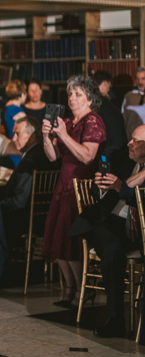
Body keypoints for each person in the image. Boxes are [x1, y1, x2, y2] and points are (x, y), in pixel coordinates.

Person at [70, 125, 145, 339]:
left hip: (137, 228)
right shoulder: (123, 157)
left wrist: (121, 186)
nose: (129, 143)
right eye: (131, 139)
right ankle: (116, 320)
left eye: (136, 141)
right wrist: (102, 187)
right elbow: (99, 186)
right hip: (107, 220)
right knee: (112, 250)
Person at [42, 76, 106, 309]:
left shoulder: (93, 120)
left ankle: (83, 289)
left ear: (90, 98)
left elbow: (88, 156)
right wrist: (46, 136)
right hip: (64, 185)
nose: (72, 98)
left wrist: (64, 136)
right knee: (57, 240)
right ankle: (69, 288)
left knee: (73, 242)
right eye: (70, 94)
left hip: (82, 188)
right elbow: (53, 157)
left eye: (78, 94)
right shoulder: (66, 122)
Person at [0, 116, 58, 248]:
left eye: (17, 134)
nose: (13, 139)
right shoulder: (43, 155)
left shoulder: (30, 162)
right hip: (45, 217)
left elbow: (18, 201)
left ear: (32, 136)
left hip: (25, 220)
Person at [93, 70, 130, 175]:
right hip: (115, 151)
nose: (109, 89)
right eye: (109, 85)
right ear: (105, 83)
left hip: (106, 151)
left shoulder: (97, 104)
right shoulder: (106, 104)